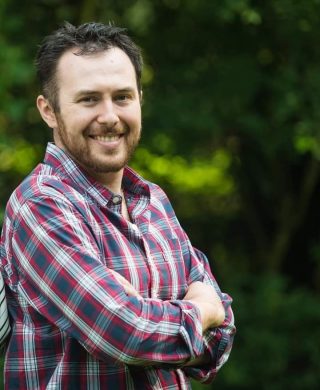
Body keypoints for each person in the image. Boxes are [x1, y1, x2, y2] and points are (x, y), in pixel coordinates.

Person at [0, 22, 235, 389]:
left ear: (140, 98)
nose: (109, 116)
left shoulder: (153, 201)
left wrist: (154, 320)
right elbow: (124, 334)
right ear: (48, 111)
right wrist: (201, 310)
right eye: (89, 99)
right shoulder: (41, 206)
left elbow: (223, 335)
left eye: (122, 97)